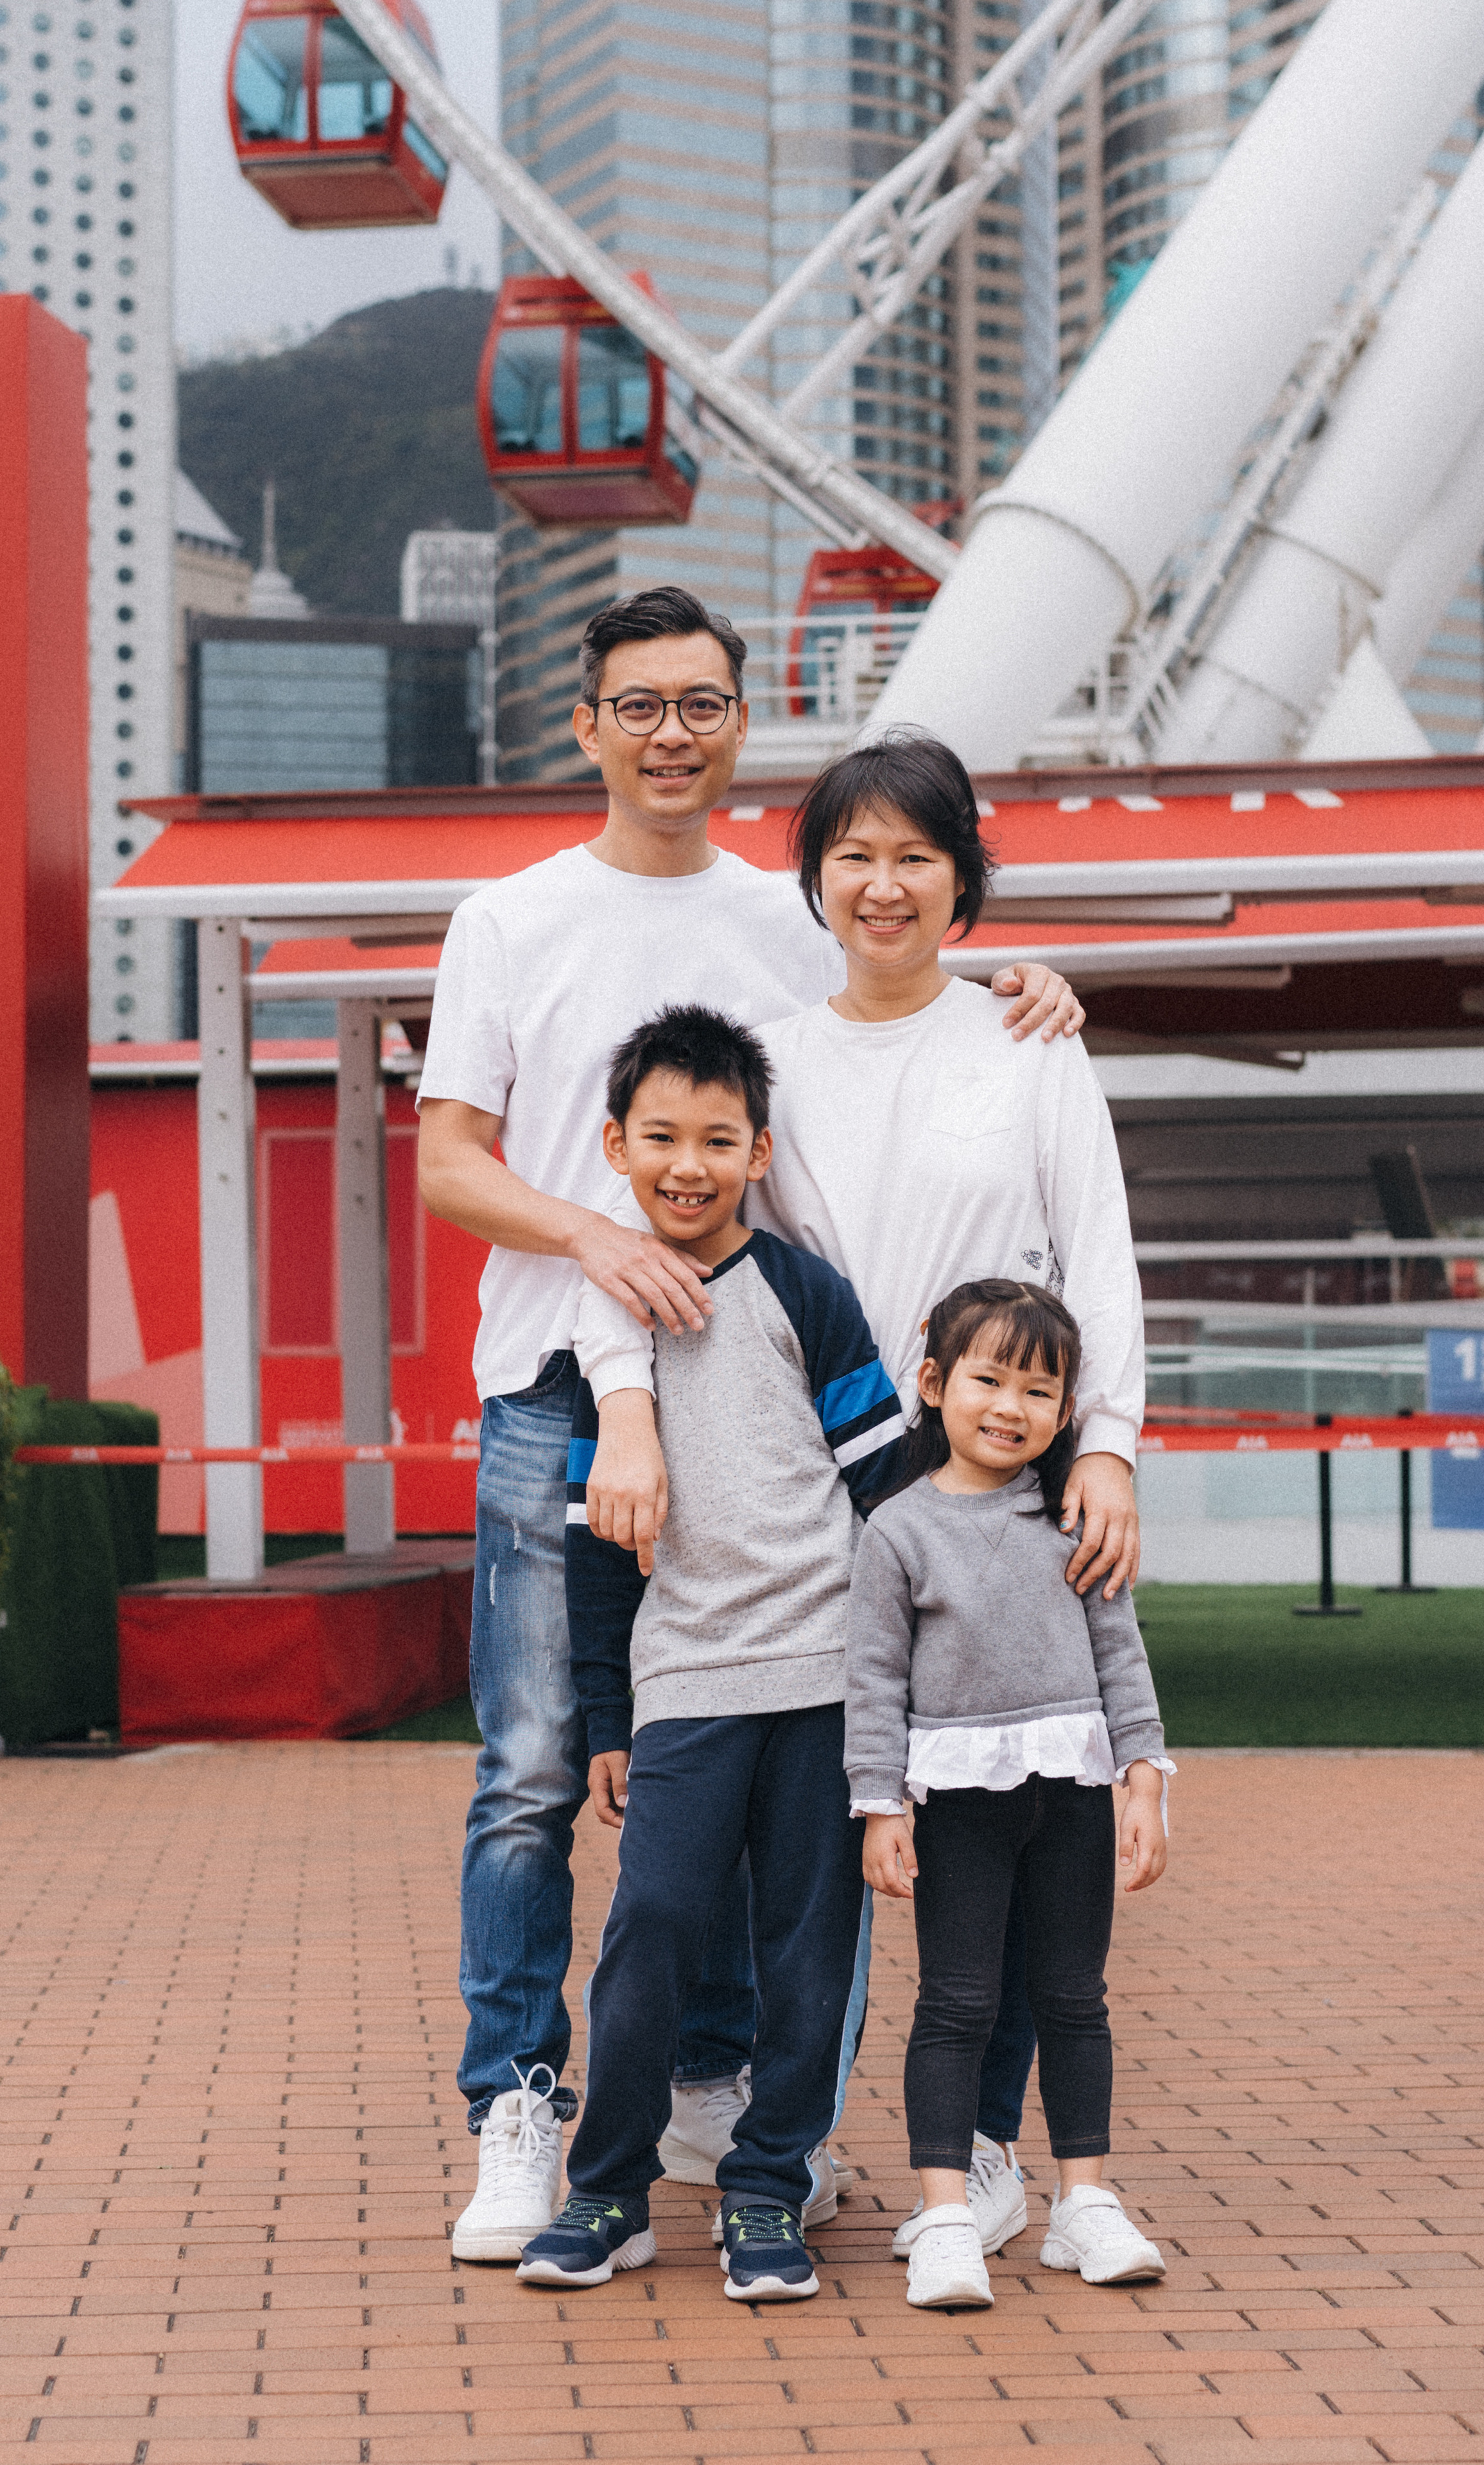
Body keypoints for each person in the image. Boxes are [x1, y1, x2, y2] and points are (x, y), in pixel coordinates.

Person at [415, 589, 1081, 2263]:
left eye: (702, 703)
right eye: (638, 704)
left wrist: (1026, 991)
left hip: (757, 1389)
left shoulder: (783, 921)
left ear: (737, 725)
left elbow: (889, 995)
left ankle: (721, 2096)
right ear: (586, 725)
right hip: (552, 1388)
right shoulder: (508, 918)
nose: (671, 733)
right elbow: (447, 1162)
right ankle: (520, 2104)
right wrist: (603, 1250)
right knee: (536, 1768)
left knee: (762, 1750)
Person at [578, 730, 1144, 2258]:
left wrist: (1103, 1445)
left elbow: (1093, 1253)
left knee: (1002, 1822)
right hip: (830, 1479)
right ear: (815, 880)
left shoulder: (1026, 1040)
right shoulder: (772, 1061)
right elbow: (658, 1239)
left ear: (963, 881)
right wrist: (622, 1406)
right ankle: (787, 2138)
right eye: (853, 857)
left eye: (914, 856)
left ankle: (988, 2151)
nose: (881, 885)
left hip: (1005, 1471)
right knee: (830, 1830)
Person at [516, 1005, 909, 2301]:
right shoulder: (604, 1326)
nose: (688, 1165)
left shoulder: (807, 1294)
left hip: (825, 1682)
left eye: (718, 1139)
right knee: (654, 1926)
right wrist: (608, 1718)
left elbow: (888, 1494)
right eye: (662, 1137)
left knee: (808, 1949)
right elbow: (591, 1544)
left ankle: (766, 2188)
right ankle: (606, 2189)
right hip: (685, 1680)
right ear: (616, 1147)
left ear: (758, 1152)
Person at [844, 1277, 1173, 2312]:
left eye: (1039, 1390)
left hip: (1072, 1794)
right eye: (988, 1380)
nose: (1011, 1407)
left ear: (1066, 1410)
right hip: (958, 1805)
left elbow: (1121, 1654)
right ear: (934, 1384)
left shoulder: (1076, 1516)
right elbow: (874, 1681)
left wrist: (1143, 1780)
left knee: (1074, 1999)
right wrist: (880, 1805)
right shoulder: (897, 1531)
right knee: (957, 2004)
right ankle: (947, 2218)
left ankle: (1084, 2203)